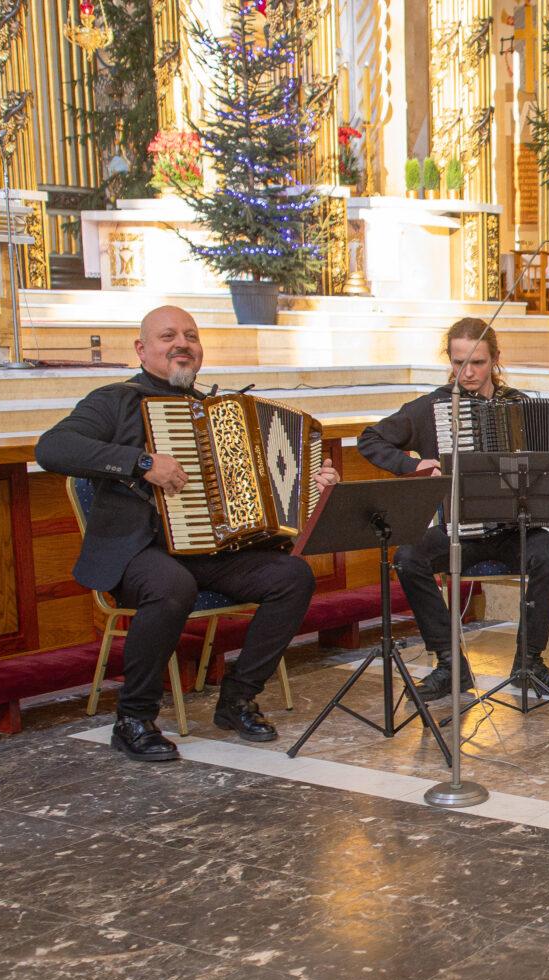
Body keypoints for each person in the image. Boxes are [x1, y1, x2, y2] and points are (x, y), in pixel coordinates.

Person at [36, 305, 336, 761]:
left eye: (191, 336)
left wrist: (311, 486)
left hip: (212, 551)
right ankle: (133, 719)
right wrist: (142, 462)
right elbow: (52, 448)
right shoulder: (114, 401)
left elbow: (255, 494)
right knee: (171, 585)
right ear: (142, 349)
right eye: (168, 336)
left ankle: (237, 699)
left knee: (292, 577)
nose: (182, 344)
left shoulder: (220, 412)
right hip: (139, 549)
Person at [358, 317, 549, 702]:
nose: (467, 372)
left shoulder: (520, 406)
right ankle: (450, 664)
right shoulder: (432, 407)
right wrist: (412, 465)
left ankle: (528, 663)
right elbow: (370, 439)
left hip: (514, 531)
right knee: (407, 558)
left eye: (478, 363)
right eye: (458, 363)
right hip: (458, 532)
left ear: (495, 359)